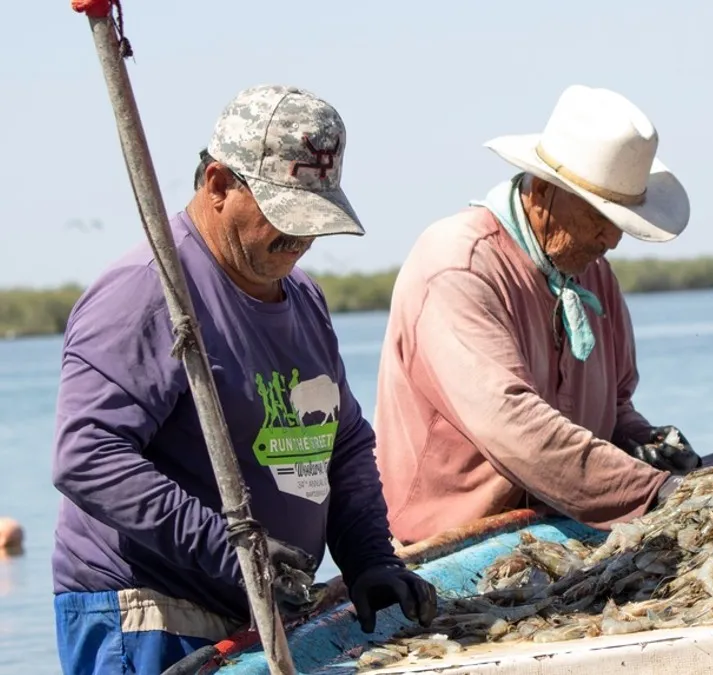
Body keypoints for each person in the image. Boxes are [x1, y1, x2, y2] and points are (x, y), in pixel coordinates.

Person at [50, 84, 437, 675]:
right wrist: (236, 552)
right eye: (284, 215)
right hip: (152, 615)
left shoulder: (303, 296)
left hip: (257, 609)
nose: (301, 238)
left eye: (314, 217)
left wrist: (367, 559)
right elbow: (88, 456)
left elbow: (344, 442)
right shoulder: (150, 293)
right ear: (219, 186)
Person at [373, 84, 702, 545]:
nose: (612, 239)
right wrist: (656, 492)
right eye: (600, 216)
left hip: (562, 531)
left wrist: (642, 442)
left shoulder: (594, 273)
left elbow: (616, 406)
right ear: (544, 191)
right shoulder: (458, 265)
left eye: (621, 221)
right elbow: (514, 427)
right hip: (449, 547)